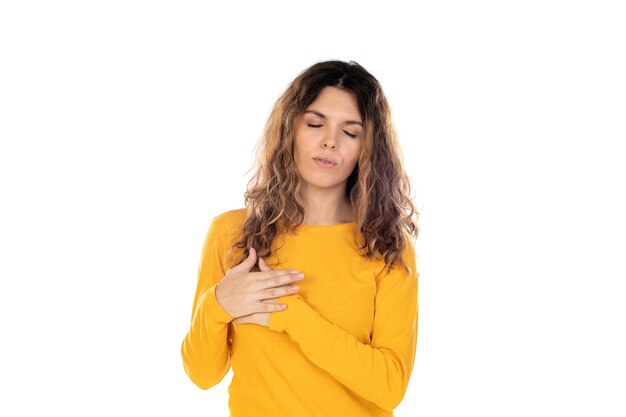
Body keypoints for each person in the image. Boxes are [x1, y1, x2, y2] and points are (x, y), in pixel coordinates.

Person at [180, 60, 420, 417]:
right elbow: (202, 374)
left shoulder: (386, 246)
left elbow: (389, 388)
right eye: (315, 123)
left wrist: (288, 314)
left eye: (350, 132)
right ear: (290, 128)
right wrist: (218, 303)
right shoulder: (231, 234)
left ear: (366, 149)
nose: (330, 141)